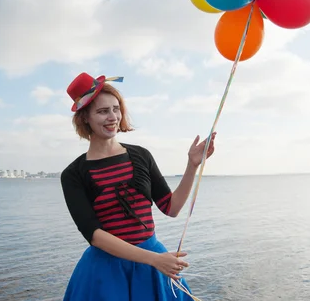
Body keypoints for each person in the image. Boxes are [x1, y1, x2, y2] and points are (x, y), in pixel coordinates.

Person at [60, 72, 217, 301]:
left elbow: (170, 208)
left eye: (116, 108)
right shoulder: (74, 174)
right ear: (85, 118)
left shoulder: (141, 156)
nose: (112, 117)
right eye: (103, 111)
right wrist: (154, 259)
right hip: (106, 270)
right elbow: (95, 235)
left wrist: (192, 166)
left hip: (153, 262)